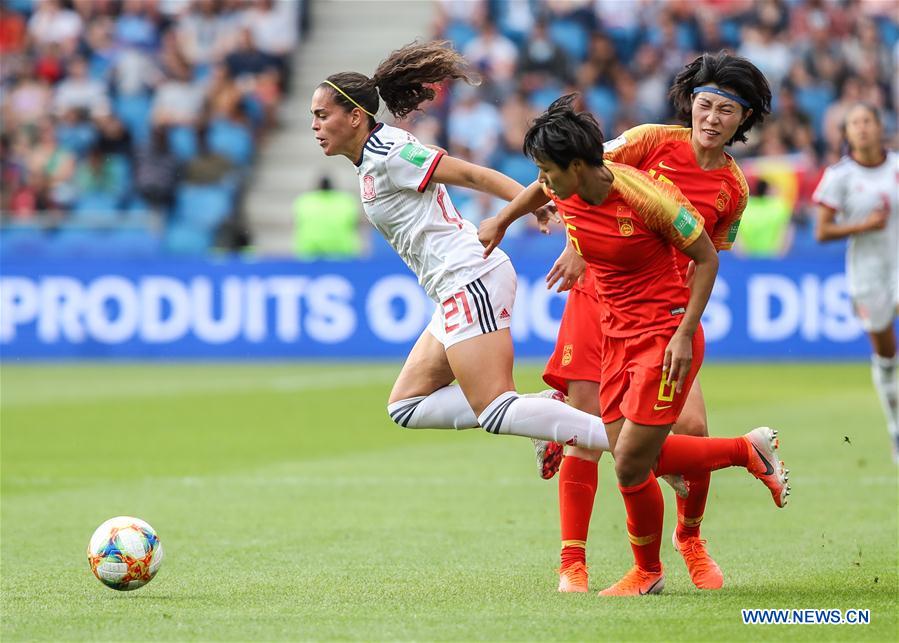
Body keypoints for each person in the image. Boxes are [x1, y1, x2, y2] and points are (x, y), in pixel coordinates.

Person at [478, 95, 789, 596]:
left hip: (663, 332)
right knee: (615, 447)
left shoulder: (655, 197)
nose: (545, 181)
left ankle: (664, 557)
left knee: (634, 457)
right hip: (611, 326)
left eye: (549, 172)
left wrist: (685, 331)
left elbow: (707, 259)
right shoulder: (593, 171)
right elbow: (543, 189)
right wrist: (502, 222)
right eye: (703, 104)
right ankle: (741, 455)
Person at [309, 41, 612, 453]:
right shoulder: (372, 158)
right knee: (406, 405)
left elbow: (471, 175)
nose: (315, 125)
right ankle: (547, 409)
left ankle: (621, 442)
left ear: (355, 116)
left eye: (322, 115)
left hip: (470, 276)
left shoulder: (390, 153)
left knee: (494, 409)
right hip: (454, 287)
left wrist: (531, 207)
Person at [813, 103, 898, 462]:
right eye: (854, 124)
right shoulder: (839, 176)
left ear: (880, 127)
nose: (861, 128)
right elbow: (821, 231)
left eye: (867, 121)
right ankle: (895, 428)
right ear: (846, 134)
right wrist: (862, 226)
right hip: (866, 273)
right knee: (886, 355)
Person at [292, 176, 364, 259]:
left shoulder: (304, 201)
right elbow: (356, 224)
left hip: (309, 252)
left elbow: (297, 223)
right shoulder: (346, 201)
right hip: (341, 252)